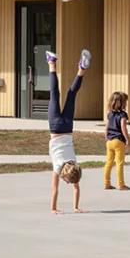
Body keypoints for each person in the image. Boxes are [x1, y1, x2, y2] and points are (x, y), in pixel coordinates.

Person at [47, 49, 90, 214]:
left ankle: (81, 70)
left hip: (67, 126)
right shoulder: (58, 167)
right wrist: (54, 209)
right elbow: (54, 190)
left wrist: (76, 207)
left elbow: (76, 187)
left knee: (71, 95)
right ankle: (52, 63)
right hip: (55, 127)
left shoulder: (74, 163)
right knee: (54, 95)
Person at [103, 91, 130, 191]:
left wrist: (106, 137)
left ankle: (107, 183)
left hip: (109, 141)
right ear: (123, 103)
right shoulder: (123, 115)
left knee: (109, 163)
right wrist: (128, 140)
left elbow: (106, 128)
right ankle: (121, 184)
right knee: (119, 163)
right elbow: (123, 128)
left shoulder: (110, 114)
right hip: (118, 141)